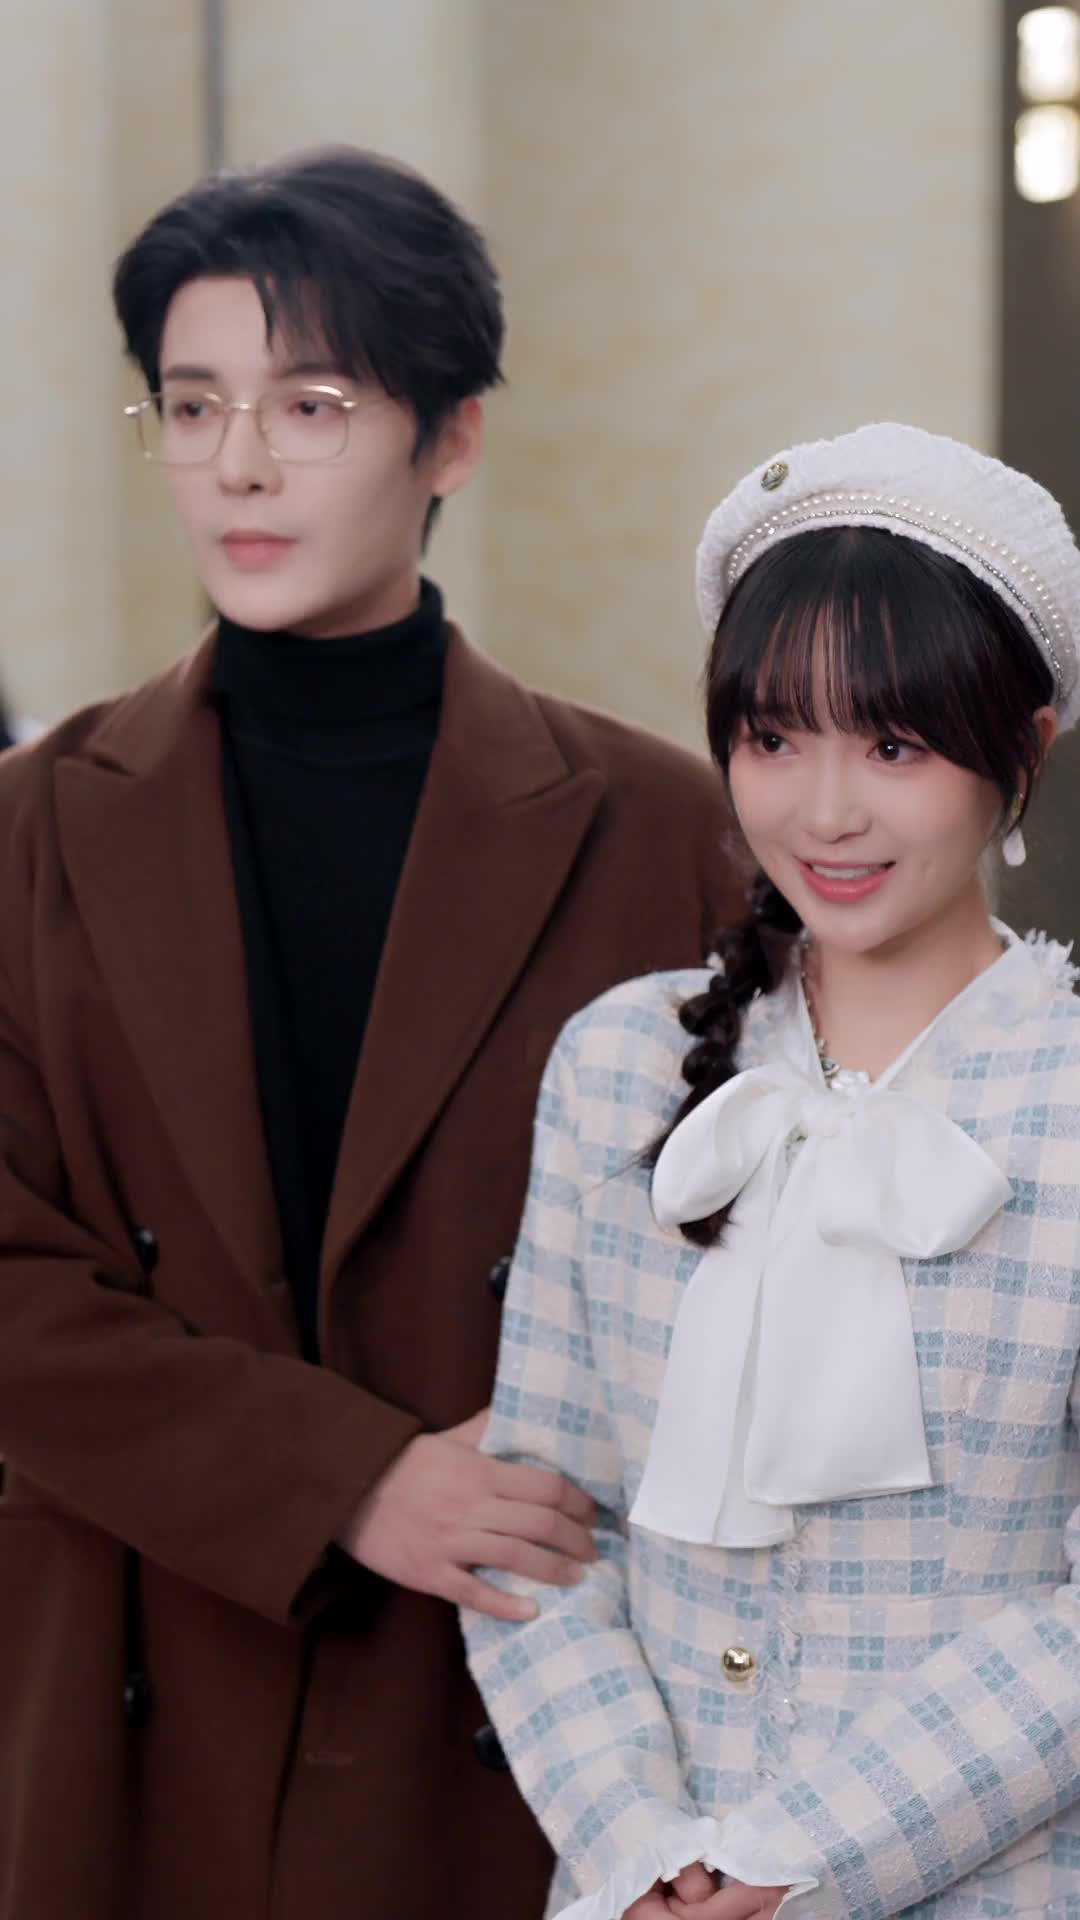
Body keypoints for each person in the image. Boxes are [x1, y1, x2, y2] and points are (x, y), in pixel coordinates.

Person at [0, 146, 740, 1920]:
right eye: (193, 406)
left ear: (452, 438)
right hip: (130, 1676)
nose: (239, 464)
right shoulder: (32, 830)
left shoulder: (662, 832)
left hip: (530, 1696)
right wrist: (345, 1481)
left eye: (311, 405)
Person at [464, 421, 1080, 1919]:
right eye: (774, 739)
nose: (825, 811)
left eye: (895, 746)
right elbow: (536, 1524)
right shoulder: (621, 1064)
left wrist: (801, 1855)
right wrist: (639, 1850)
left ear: (1029, 743)